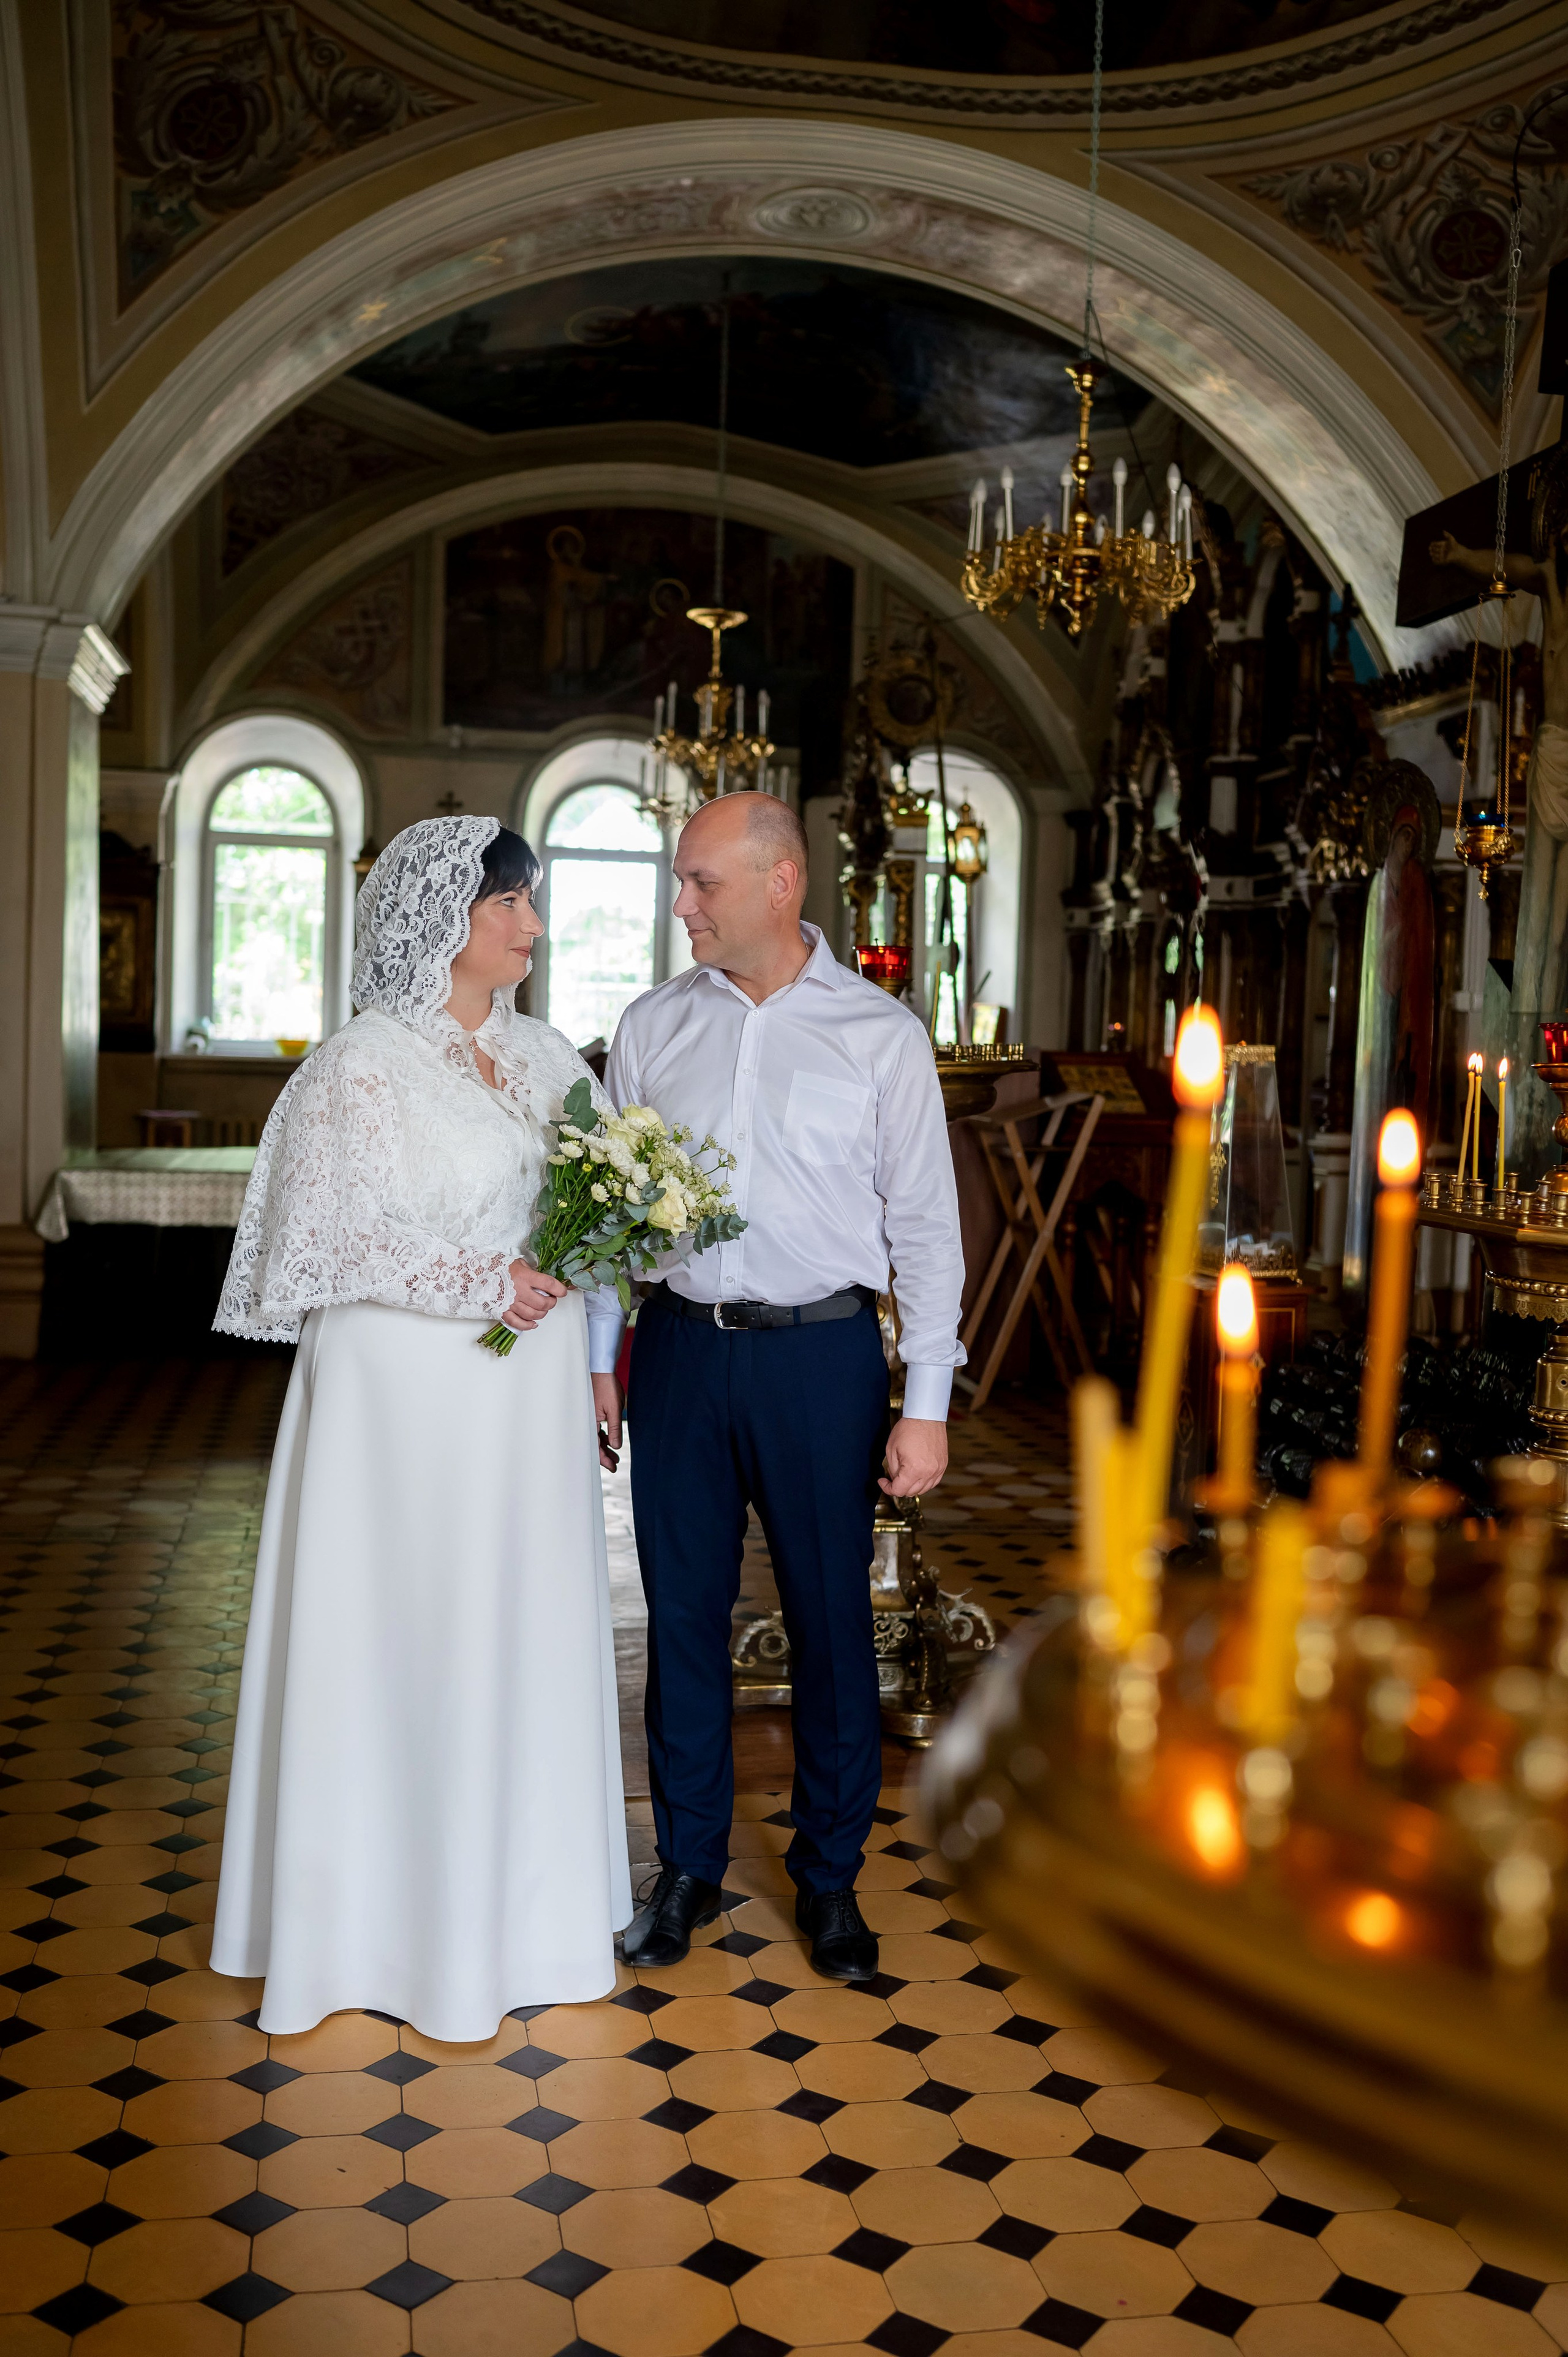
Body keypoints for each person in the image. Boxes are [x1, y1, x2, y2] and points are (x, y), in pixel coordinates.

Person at [210, 816, 631, 2038]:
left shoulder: (552, 1058)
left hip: (524, 1396)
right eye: (513, 906)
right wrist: (480, 1280)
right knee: (402, 1627)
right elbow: (315, 1243)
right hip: (395, 1403)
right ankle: (371, 1927)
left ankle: (521, 1913)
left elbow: (585, 1214)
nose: (532, 928)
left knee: (514, 1624)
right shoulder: (359, 1066)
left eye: (531, 906)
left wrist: (591, 1323)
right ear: (448, 917)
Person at [590, 791, 964, 1983]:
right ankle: (688, 1865)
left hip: (823, 1360)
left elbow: (926, 1230)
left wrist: (928, 1400)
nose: (679, 903)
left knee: (830, 1622)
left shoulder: (878, 1035)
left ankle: (831, 1880)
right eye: (680, 880)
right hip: (682, 1355)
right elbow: (605, 1213)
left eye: (700, 881)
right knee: (681, 1616)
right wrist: (602, 1356)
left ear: (780, 884)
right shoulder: (651, 1025)